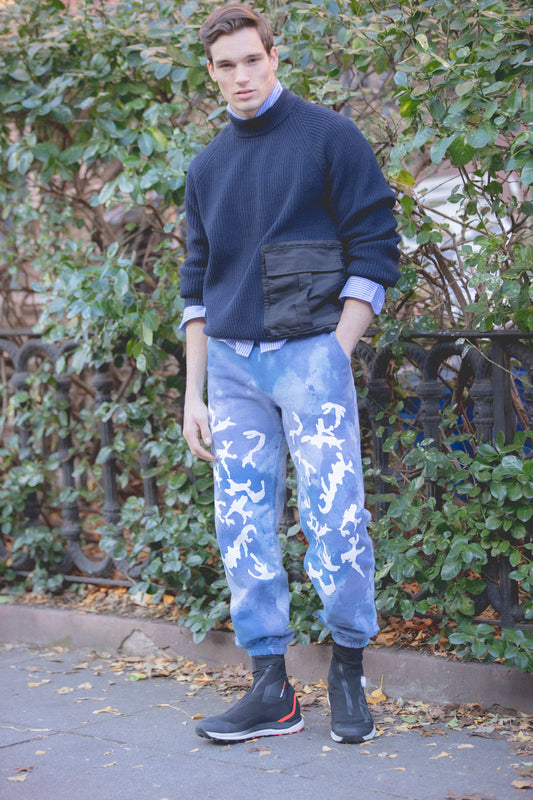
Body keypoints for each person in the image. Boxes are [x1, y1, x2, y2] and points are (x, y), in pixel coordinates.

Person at [180, 4, 401, 744]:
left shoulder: (327, 137)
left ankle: (345, 669)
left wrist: (332, 351)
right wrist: (194, 394)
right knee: (242, 527)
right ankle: (271, 689)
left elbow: (375, 245)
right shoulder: (207, 166)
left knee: (335, 522)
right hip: (234, 373)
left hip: (310, 353)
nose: (240, 76)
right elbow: (196, 281)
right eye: (225, 65)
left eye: (251, 59)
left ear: (274, 57)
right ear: (209, 73)